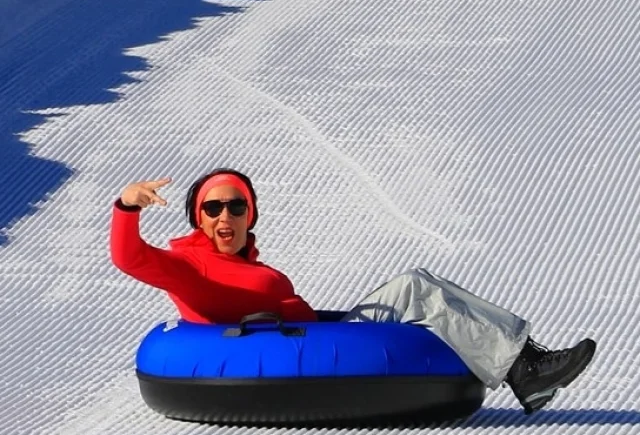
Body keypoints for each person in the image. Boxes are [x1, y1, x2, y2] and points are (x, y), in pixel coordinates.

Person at [110, 169, 596, 414]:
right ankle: (525, 369)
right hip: (296, 345)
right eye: (213, 207)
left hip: (319, 333)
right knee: (416, 289)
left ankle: (523, 360)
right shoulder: (188, 264)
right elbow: (130, 258)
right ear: (198, 216)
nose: (225, 217)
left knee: (416, 283)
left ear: (249, 215)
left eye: (237, 206)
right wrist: (127, 206)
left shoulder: (245, 263)